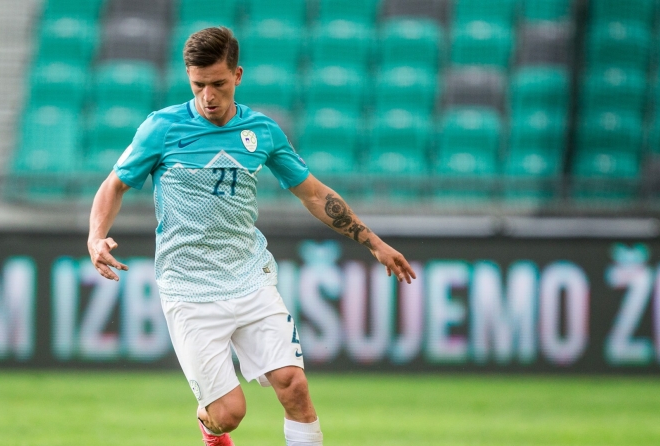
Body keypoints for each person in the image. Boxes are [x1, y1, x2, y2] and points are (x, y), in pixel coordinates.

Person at [87, 27, 417, 446]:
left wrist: (374, 242)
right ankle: (209, 424)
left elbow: (314, 194)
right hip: (189, 289)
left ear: (238, 75)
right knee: (228, 415)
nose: (208, 96)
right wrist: (96, 236)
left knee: (294, 385)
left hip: (250, 278)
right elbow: (114, 185)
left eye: (218, 84)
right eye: (198, 85)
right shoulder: (162, 128)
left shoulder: (262, 131)